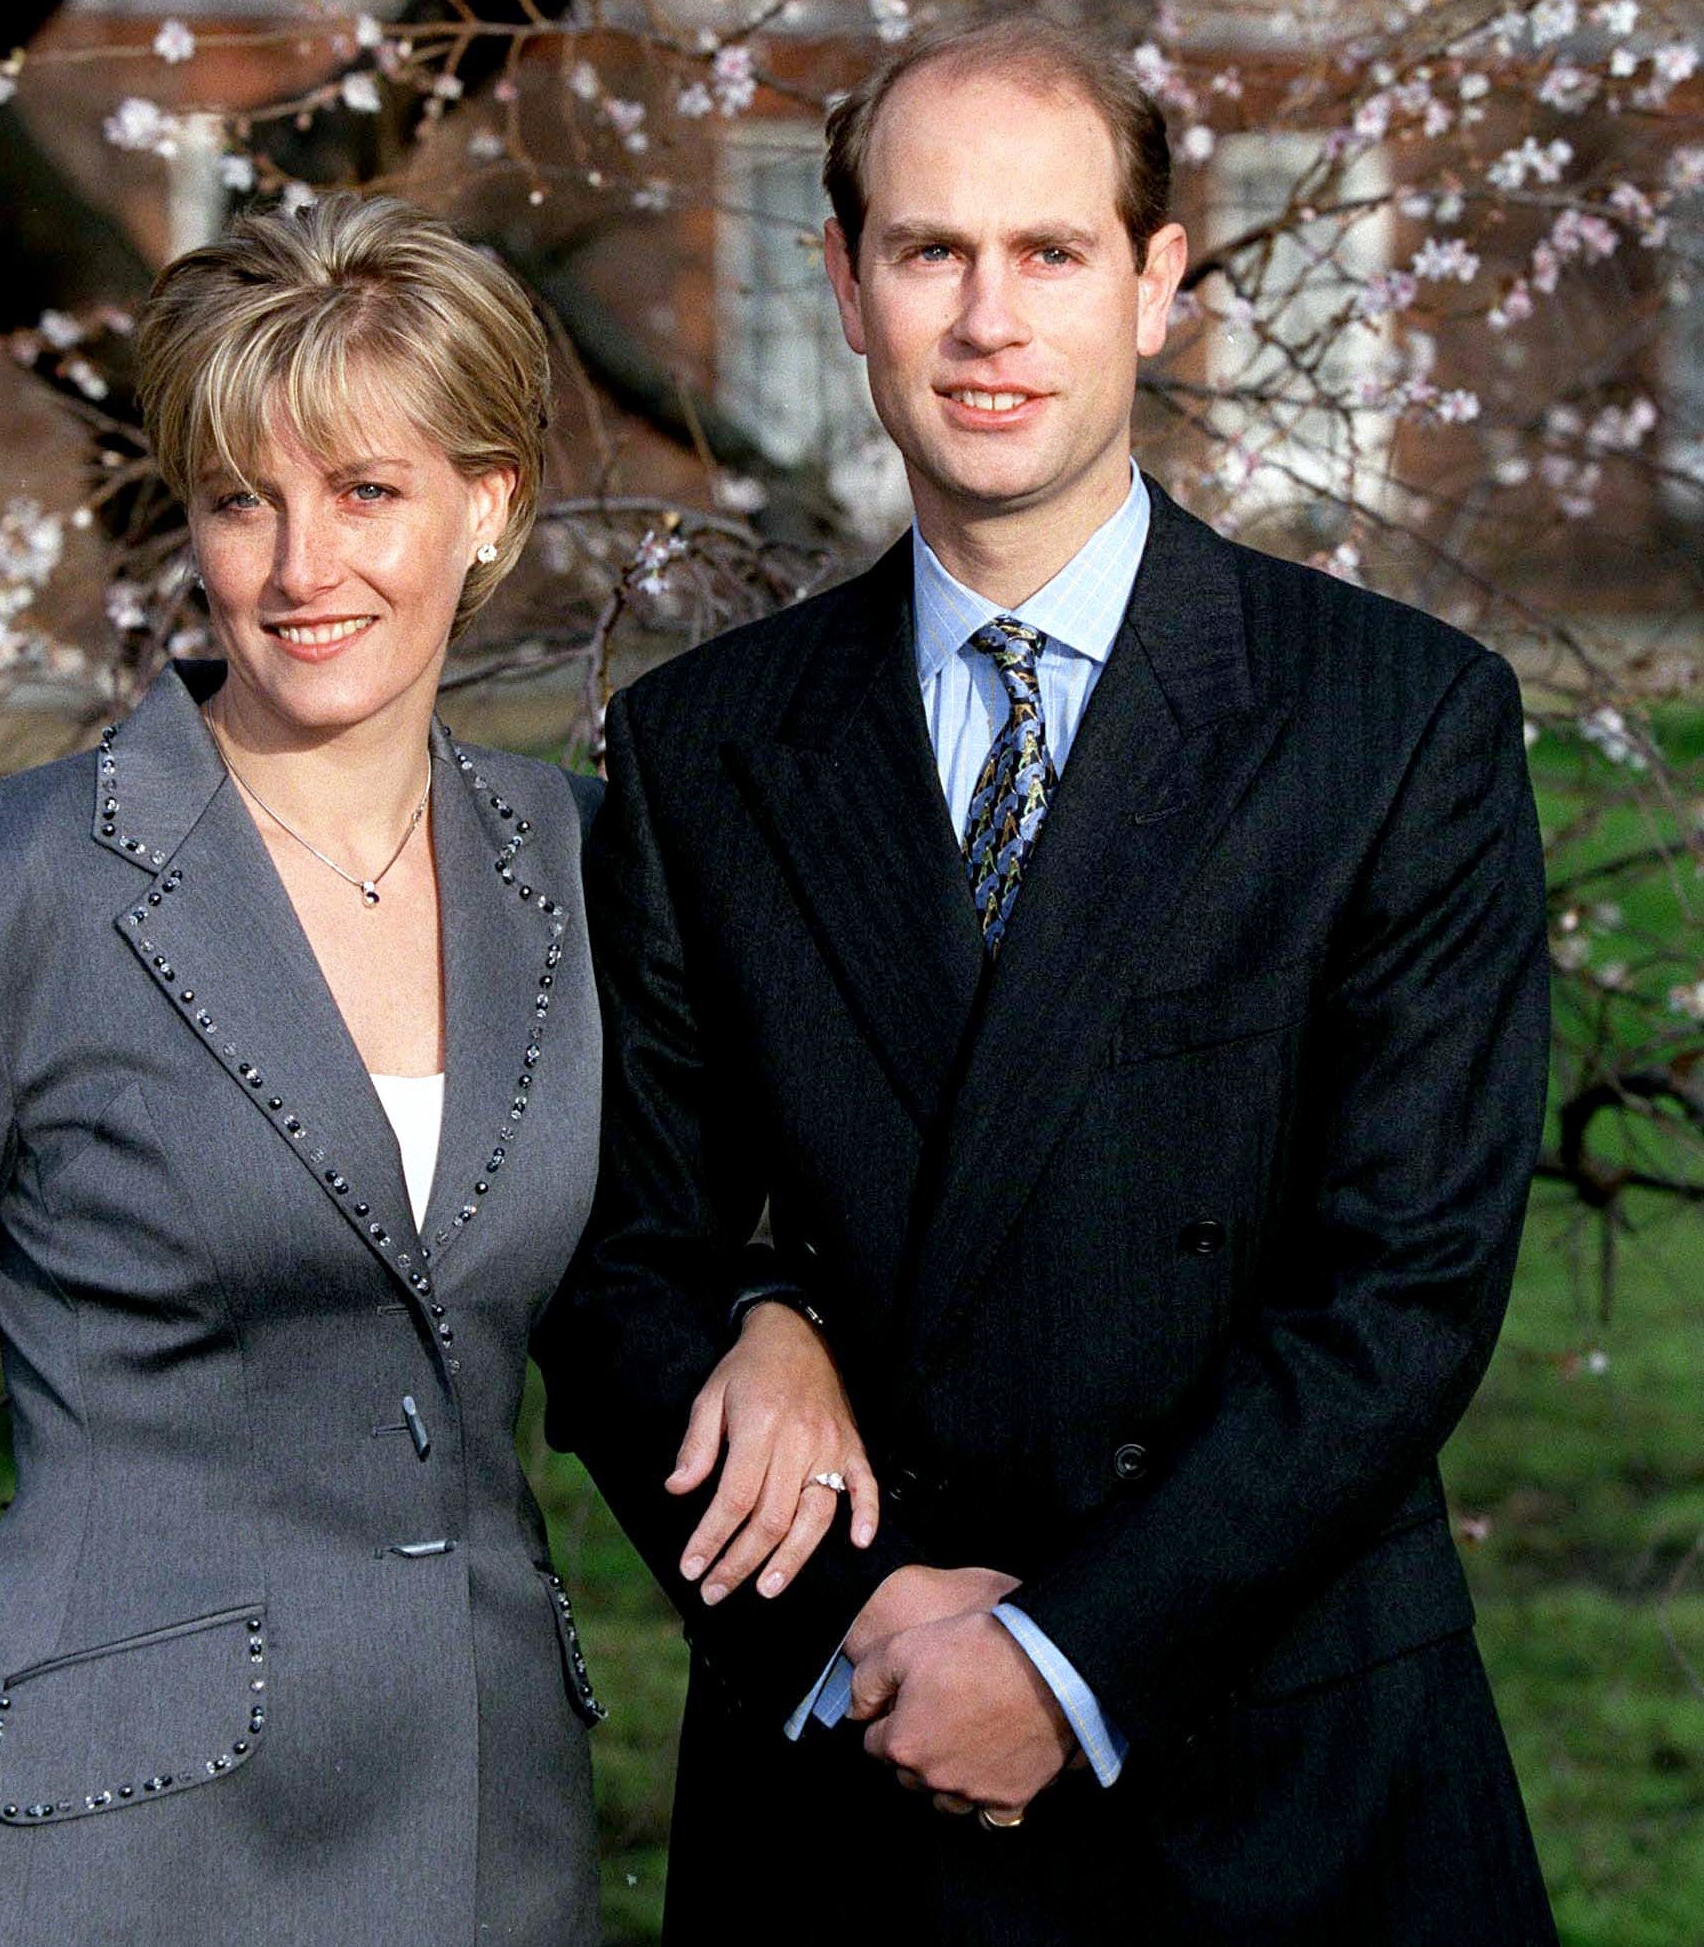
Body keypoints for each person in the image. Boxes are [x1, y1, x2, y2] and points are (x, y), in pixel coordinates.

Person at [534, 18, 1559, 1944]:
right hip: (857, 1764)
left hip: (1282, 1776)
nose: (988, 318)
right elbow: (614, 1256)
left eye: (1053, 253)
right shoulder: (702, 749)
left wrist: (1068, 1662)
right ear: (844, 286)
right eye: (930, 253)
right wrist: (868, 1611)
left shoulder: (1395, 723)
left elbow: (1402, 1289)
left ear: (1160, 285)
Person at [0, 194, 873, 1947]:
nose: (300, 568)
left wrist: (780, 1315)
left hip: (483, 1807)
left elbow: (692, 1208)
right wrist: (4, 1705)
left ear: (487, 506)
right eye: (239, 501)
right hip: (94, 1837)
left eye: (365, 493)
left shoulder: (580, 859)